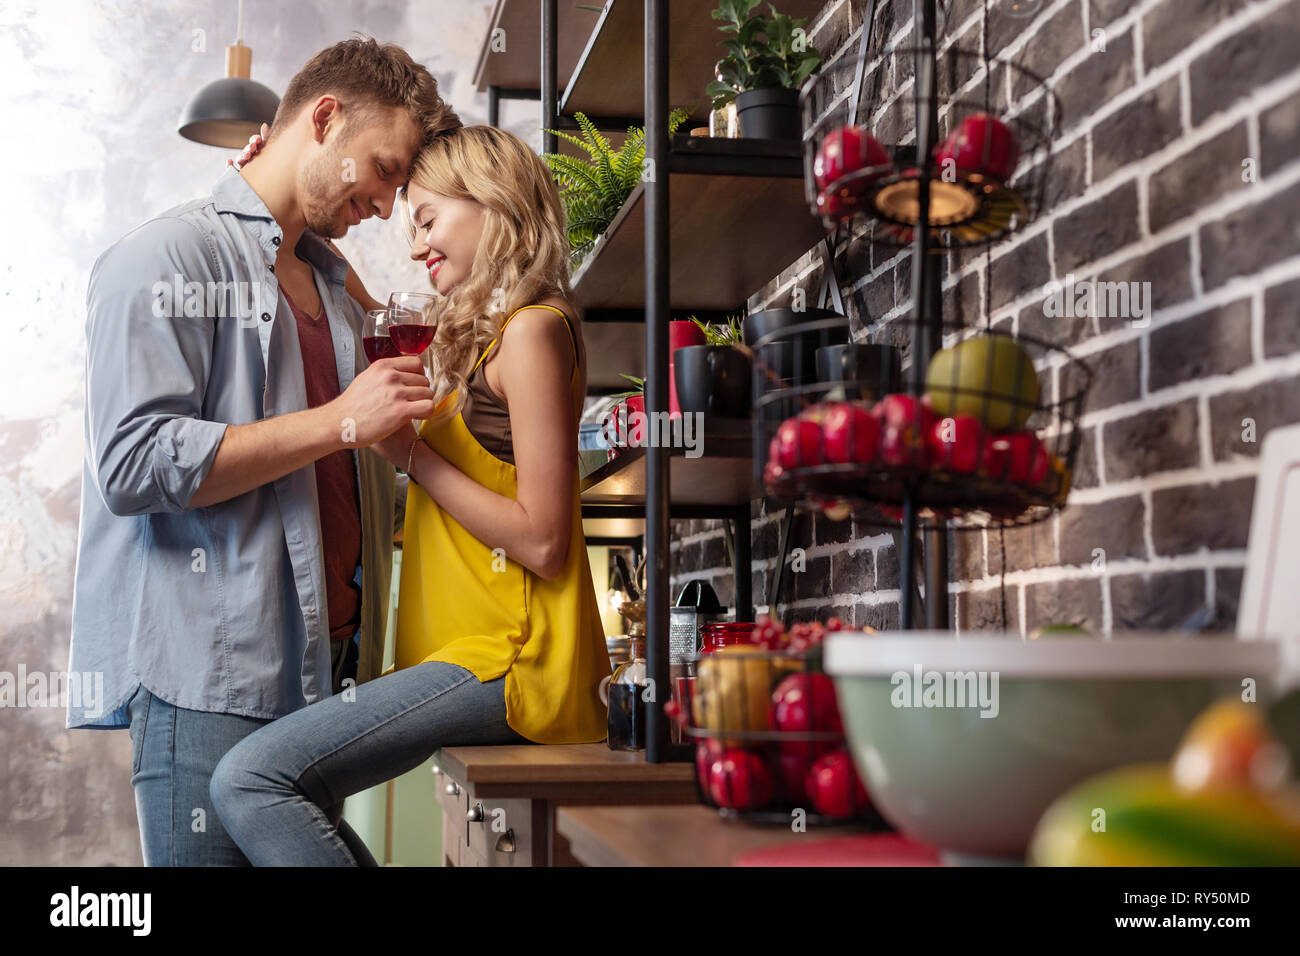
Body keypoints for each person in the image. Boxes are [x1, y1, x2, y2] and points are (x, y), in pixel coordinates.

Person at [67, 36, 460, 866]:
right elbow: (133, 461)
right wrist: (339, 420)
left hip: (322, 676)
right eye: (384, 172)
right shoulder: (167, 257)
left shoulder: (326, 281)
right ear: (324, 118)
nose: (389, 205)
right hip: (208, 683)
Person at [208, 125, 611, 866]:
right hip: (468, 655)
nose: (417, 244)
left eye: (427, 219)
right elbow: (343, 283)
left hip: (513, 658)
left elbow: (544, 541)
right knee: (273, 785)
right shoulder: (473, 338)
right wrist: (268, 189)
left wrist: (411, 456)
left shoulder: (532, 333)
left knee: (253, 781)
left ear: (492, 203)